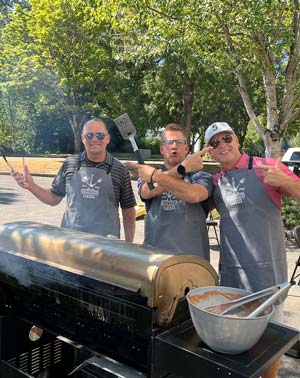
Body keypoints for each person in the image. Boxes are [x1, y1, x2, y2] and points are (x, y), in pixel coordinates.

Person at [178, 122, 300, 378]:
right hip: (232, 282)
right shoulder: (216, 181)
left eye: (226, 138)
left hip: (267, 280)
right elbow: (190, 198)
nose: (222, 145)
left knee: (269, 351)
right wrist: (180, 168)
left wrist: (287, 183)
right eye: (214, 143)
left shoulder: (266, 167)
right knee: (238, 352)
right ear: (210, 151)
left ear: (237, 140)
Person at [12, 118, 136, 242]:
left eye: (99, 135)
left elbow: (128, 210)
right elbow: (53, 199)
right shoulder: (70, 164)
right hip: (70, 240)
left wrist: (129, 245)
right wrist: (31, 186)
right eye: (89, 135)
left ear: (107, 138)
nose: (94, 139)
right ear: (83, 138)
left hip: (107, 244)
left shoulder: (120, 170)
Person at [129, 123, 213, 260]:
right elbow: (147, 191)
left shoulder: (201, 177)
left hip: (193, 262)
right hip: (155, 260)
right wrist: (182, 169)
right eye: (169, 142)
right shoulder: (146, 176)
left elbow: (195, 194)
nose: (174, 146)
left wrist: (156, 176)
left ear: (186, 148)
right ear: (162, 149)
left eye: (179, 142)